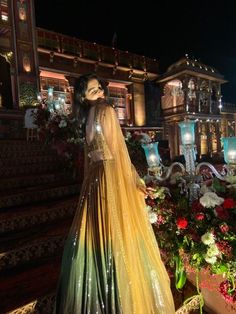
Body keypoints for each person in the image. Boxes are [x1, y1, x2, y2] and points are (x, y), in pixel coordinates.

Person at [54, 73, 176, 313]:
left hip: (94, 181)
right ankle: (119, 293)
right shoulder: (106, 111)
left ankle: (103, 287)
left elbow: (93, 157)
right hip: (109, 177)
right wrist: (135, 181)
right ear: (83, 97)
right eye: (93, 91)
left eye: (99, 88)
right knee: (118, 231)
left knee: (100, 232)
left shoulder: (87, 117)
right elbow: (119, 153)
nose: (100, 92)